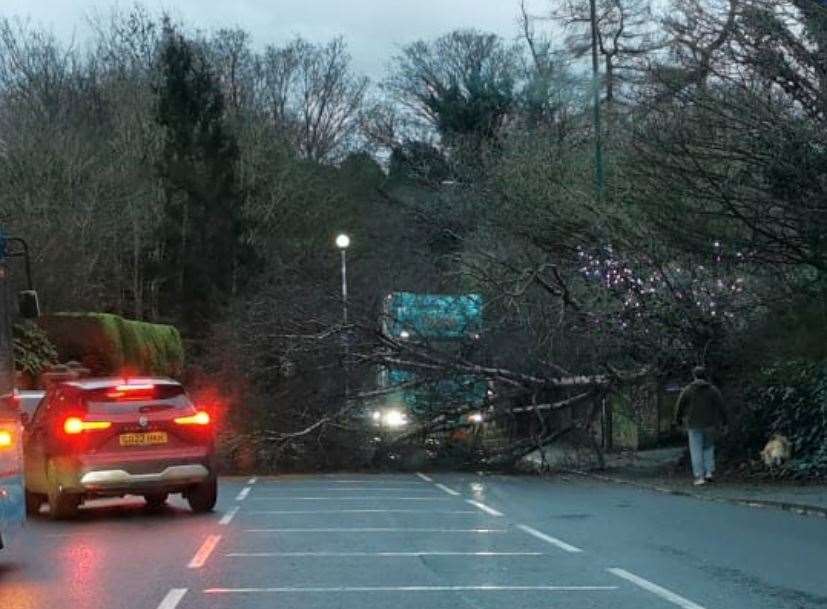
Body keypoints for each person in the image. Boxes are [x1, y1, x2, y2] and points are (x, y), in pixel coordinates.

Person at [674, 366, 728, 486]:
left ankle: (699, 476)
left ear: (694, 376)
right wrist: (724, 422)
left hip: (693, 424)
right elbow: (721, 406)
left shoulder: (688, 390)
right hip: (710, 424)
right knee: (708, 448)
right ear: (705, 375)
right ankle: (709, 472)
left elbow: (679, 406)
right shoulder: (712, 390)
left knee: (696, 450)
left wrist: (678, 421)